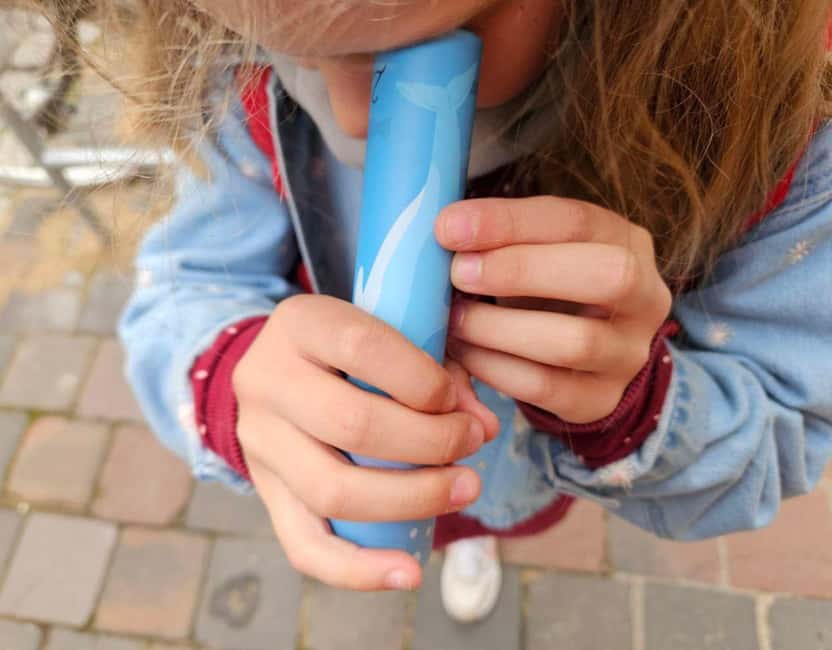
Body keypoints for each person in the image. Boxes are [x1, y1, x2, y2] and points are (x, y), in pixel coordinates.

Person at [19, 0, 832, 624]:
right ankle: (453, 537)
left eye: (428, 40)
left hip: (520, 472)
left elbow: (782, 430)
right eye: (291, 50)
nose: (352, 121)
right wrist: (235, 381)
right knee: (435, 516)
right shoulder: (245, 70)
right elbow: (185, 284)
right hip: (366, 465)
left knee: (482, 514)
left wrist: (635, 403)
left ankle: (475, 539)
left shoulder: (782, 131)